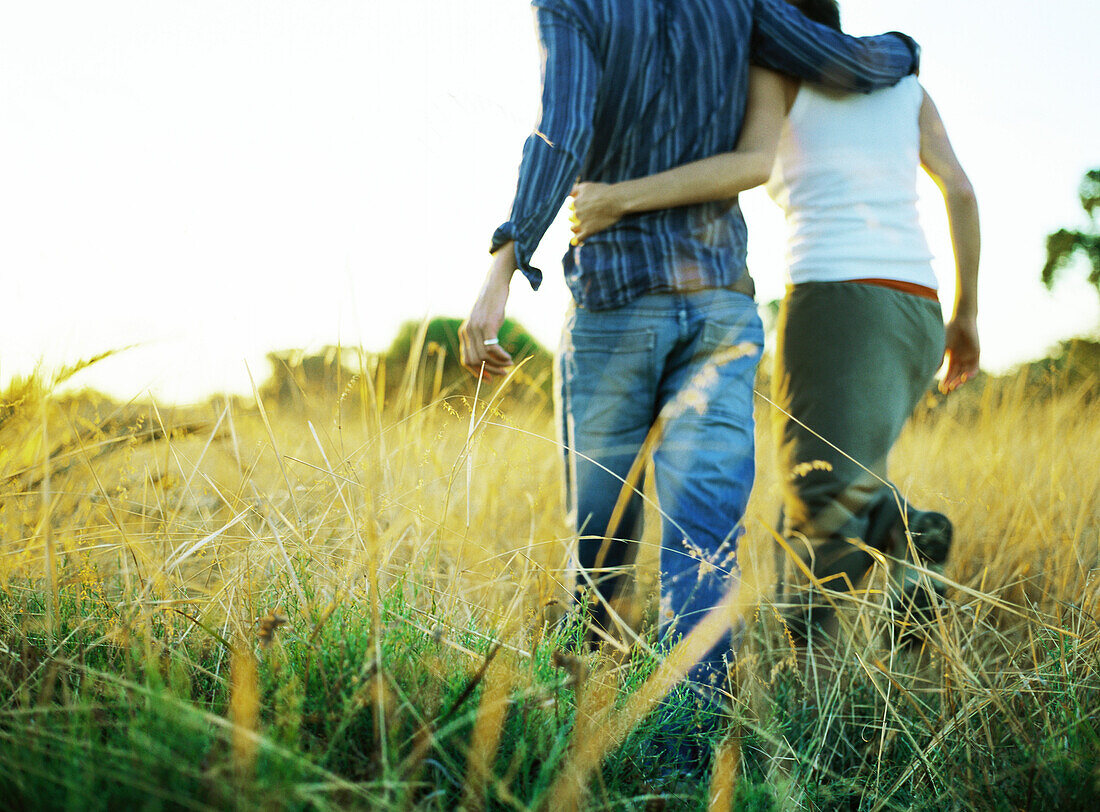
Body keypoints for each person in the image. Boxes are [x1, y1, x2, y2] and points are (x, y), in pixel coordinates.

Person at [459, 0, 921, 708]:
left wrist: (505, 258)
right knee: (703, 552)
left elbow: (565, 127)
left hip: (616, 303)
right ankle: (692, 759)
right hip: (719, 308)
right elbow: (844, 60)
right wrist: (902, 49)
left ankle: (593, 727)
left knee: (600, 546)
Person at [569, 0, 980, 643]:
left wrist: (618, 197)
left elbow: (752, 163)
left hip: (839, 300)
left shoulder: (775, 72)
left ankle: (864, 587)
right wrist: (967, 314)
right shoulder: (902, 80)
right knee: (838, 470)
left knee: (813, 484)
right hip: (919, 307)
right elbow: (958, 188)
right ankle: (865, 588)